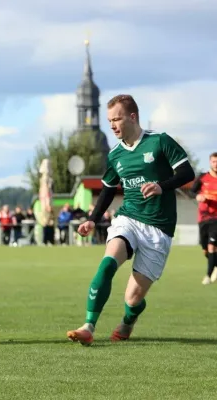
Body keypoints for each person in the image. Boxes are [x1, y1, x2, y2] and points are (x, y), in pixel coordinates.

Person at [66, 94, 195, 346]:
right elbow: (107, 188)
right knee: (107, 263)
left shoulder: (160, 142)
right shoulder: (116, 155)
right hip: (129, 218)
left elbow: (186, 172)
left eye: (117, 119)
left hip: (159, 228)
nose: (112, 125)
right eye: (109, 120)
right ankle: (88, 326)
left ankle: (128, 320)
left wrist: (161, 186)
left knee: (133, 299)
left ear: (133, 117)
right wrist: (92, 219)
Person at [190, 152, 217, 284]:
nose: (216, 164)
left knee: (212, 246)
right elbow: (192, 192)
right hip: (203, 218)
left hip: (216, 219)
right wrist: (198, 197)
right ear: (210, 162)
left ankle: (208, 275)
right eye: (214, 161)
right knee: (205, 249)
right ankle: (215, 264)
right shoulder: (202, 177)